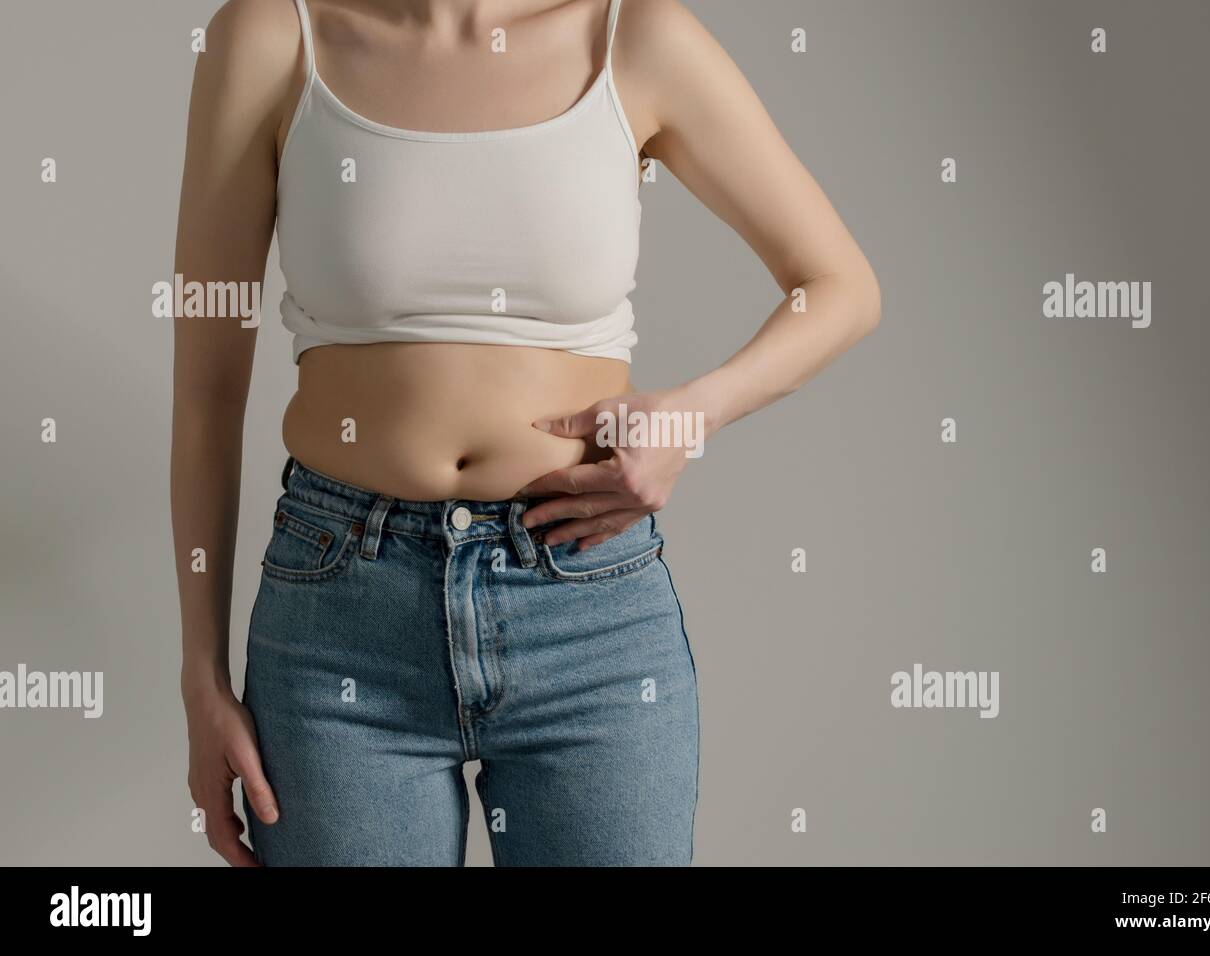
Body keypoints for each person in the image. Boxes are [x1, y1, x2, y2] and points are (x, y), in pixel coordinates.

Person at [173, 0, 881, 866]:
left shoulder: (634, 36)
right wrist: (199, 672)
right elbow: (208, 387)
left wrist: (691, 414)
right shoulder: (275, 33)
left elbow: (840, 285)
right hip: (341, 616)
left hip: (586, 617)